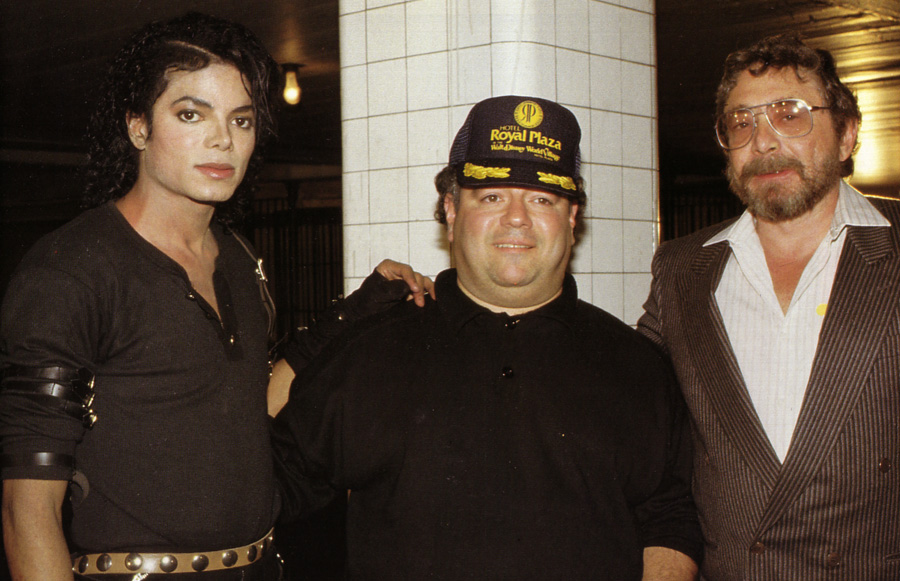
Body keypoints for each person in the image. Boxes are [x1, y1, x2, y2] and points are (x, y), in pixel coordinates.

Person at [0, 12, 427, 581]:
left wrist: (355, 312)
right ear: (137, 126)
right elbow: (26, 510)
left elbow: (248, 404)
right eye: (191, 114)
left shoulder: (239, 259)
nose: (223, 139)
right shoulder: (73, 269)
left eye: (241, 120)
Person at [270, 95, 703, 580]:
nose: (517, 218)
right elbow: (268, 483)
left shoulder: (637, 364)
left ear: (572, 218)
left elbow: (670, 515)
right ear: (451, 210)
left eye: (542, 199)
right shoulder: (370, 351)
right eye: (492, 196)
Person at [638, 33, 900, 580]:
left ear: (847, 135)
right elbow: (629, 405)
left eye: (790, 114)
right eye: (741, 123)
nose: (763, 141)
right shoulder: (681, 269)